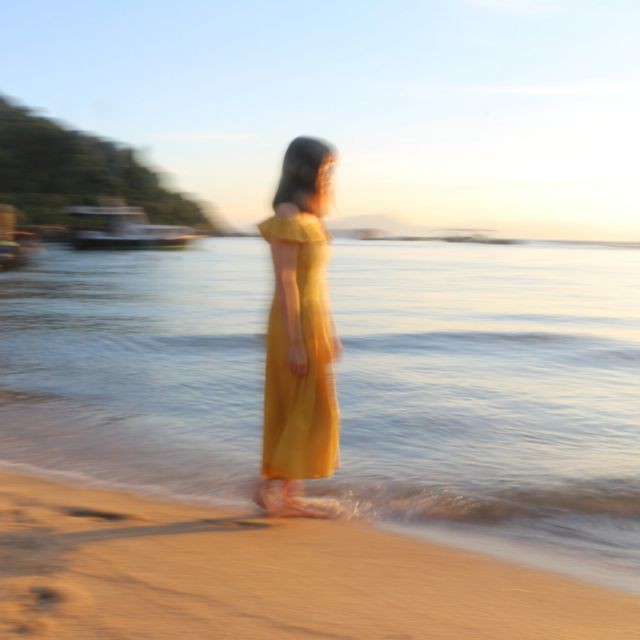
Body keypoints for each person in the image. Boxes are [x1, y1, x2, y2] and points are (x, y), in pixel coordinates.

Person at [256, 136, 341, 517]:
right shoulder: (288, 213)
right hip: (293, 321)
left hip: (314, 318)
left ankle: (286, 493)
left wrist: (331, 331)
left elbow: (318, 283)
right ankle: (272, 491)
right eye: (325, 167)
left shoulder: (312, 216)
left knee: (315, 407)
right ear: (305, 168)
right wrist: (295, 341)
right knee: (296, 404)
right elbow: (287, 280)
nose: (329, 174)